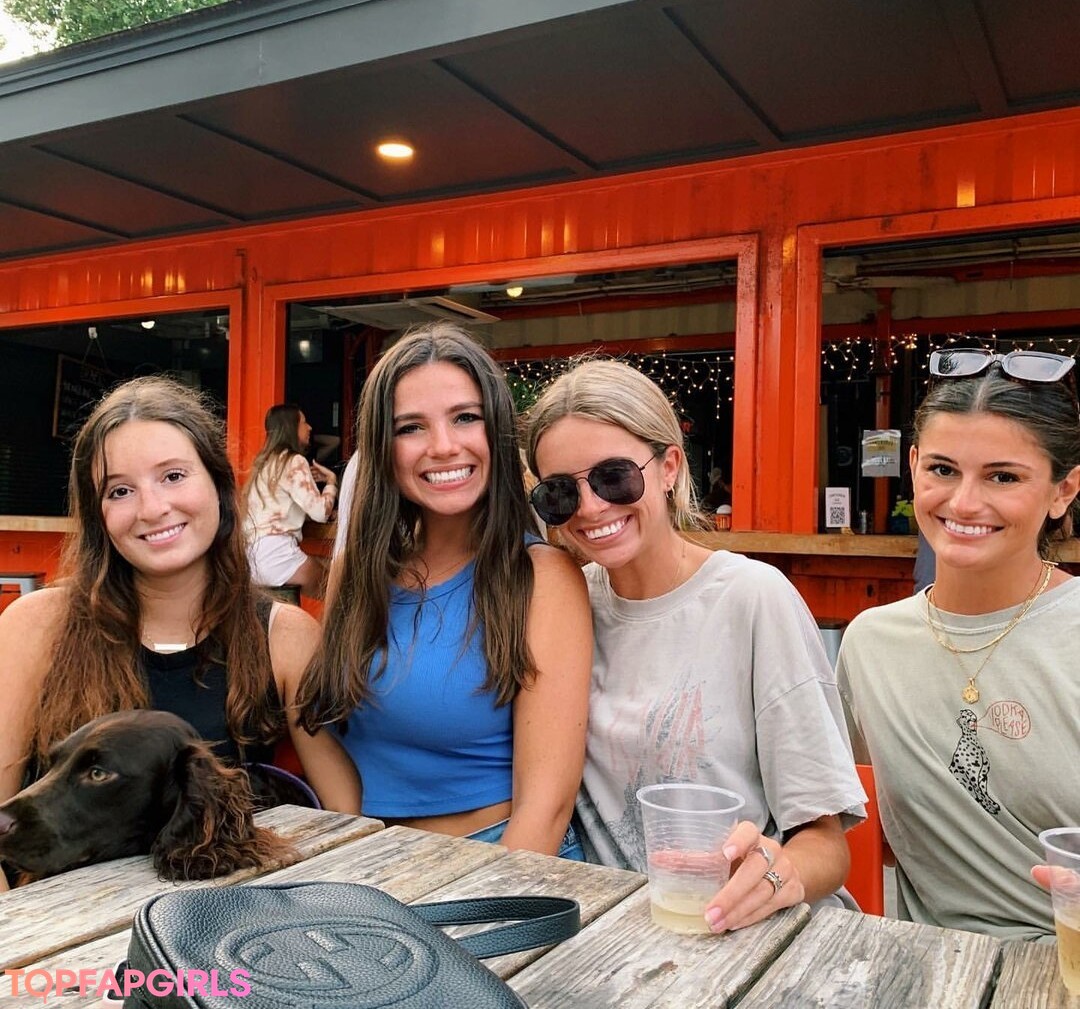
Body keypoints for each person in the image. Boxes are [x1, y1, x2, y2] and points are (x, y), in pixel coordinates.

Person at [525, 359, 865, 933]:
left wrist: (773, 872)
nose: (590, 508)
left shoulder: (752, 598)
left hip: (751, 931)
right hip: (623, 932)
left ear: (669, 468)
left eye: (614, 477)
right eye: (560, 492)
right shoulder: (564, 607)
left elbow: (826, 843)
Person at [0, 377, 360, 890]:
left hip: (213, 916)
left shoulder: (283, 635)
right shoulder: (36, 626)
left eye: (172, 476)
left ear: (218, 484)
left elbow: (342, 815)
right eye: (120, 491)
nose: (151, 508)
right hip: (52, 922)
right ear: (98, 514)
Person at [297, 323, 592, 856]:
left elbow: (545, 810)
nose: (443, 446)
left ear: (496, 430)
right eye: (411, 427)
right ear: (383, 449)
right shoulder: (356, 573)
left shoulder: (542, 578)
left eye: (465, 417)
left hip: (496, 857)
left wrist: (484, 895)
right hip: (372, 859)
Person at [838, 347, 1080, 941]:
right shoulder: (870, 645)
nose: (965, 502)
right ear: (913, 465)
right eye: (943, 470)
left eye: (1004, 476)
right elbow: (859, 828)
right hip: (933, 967)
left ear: (1063, 490)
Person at [243, 404, 337, 599]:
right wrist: (331, 483)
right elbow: (321, 513)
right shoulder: (294, 461)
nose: (310, 427)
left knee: (325, 575)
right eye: (304, 422)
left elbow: (287, 509)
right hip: (277, 555)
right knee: (338, 588)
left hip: (251, 560)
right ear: (291, 427)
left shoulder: (264, 463)